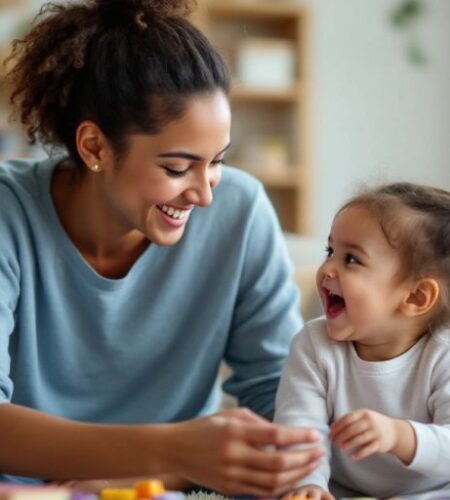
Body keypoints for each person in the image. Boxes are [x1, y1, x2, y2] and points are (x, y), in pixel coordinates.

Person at [0, 0, 326, 495]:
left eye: (217, 160)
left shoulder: (240, 212)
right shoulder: (9, 212)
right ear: (94, 147)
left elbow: (280, 395)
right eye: (177, 168)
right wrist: (172, 449)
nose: (205, 193)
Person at [274, 182, 450, 499]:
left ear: (416, 296)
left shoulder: (443, 354)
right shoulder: (313, 345)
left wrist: (399, 435)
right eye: (330, 251)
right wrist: (307, 483)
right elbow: (299, 428)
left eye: (351, 259)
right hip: (341, 492)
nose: (327, 268)